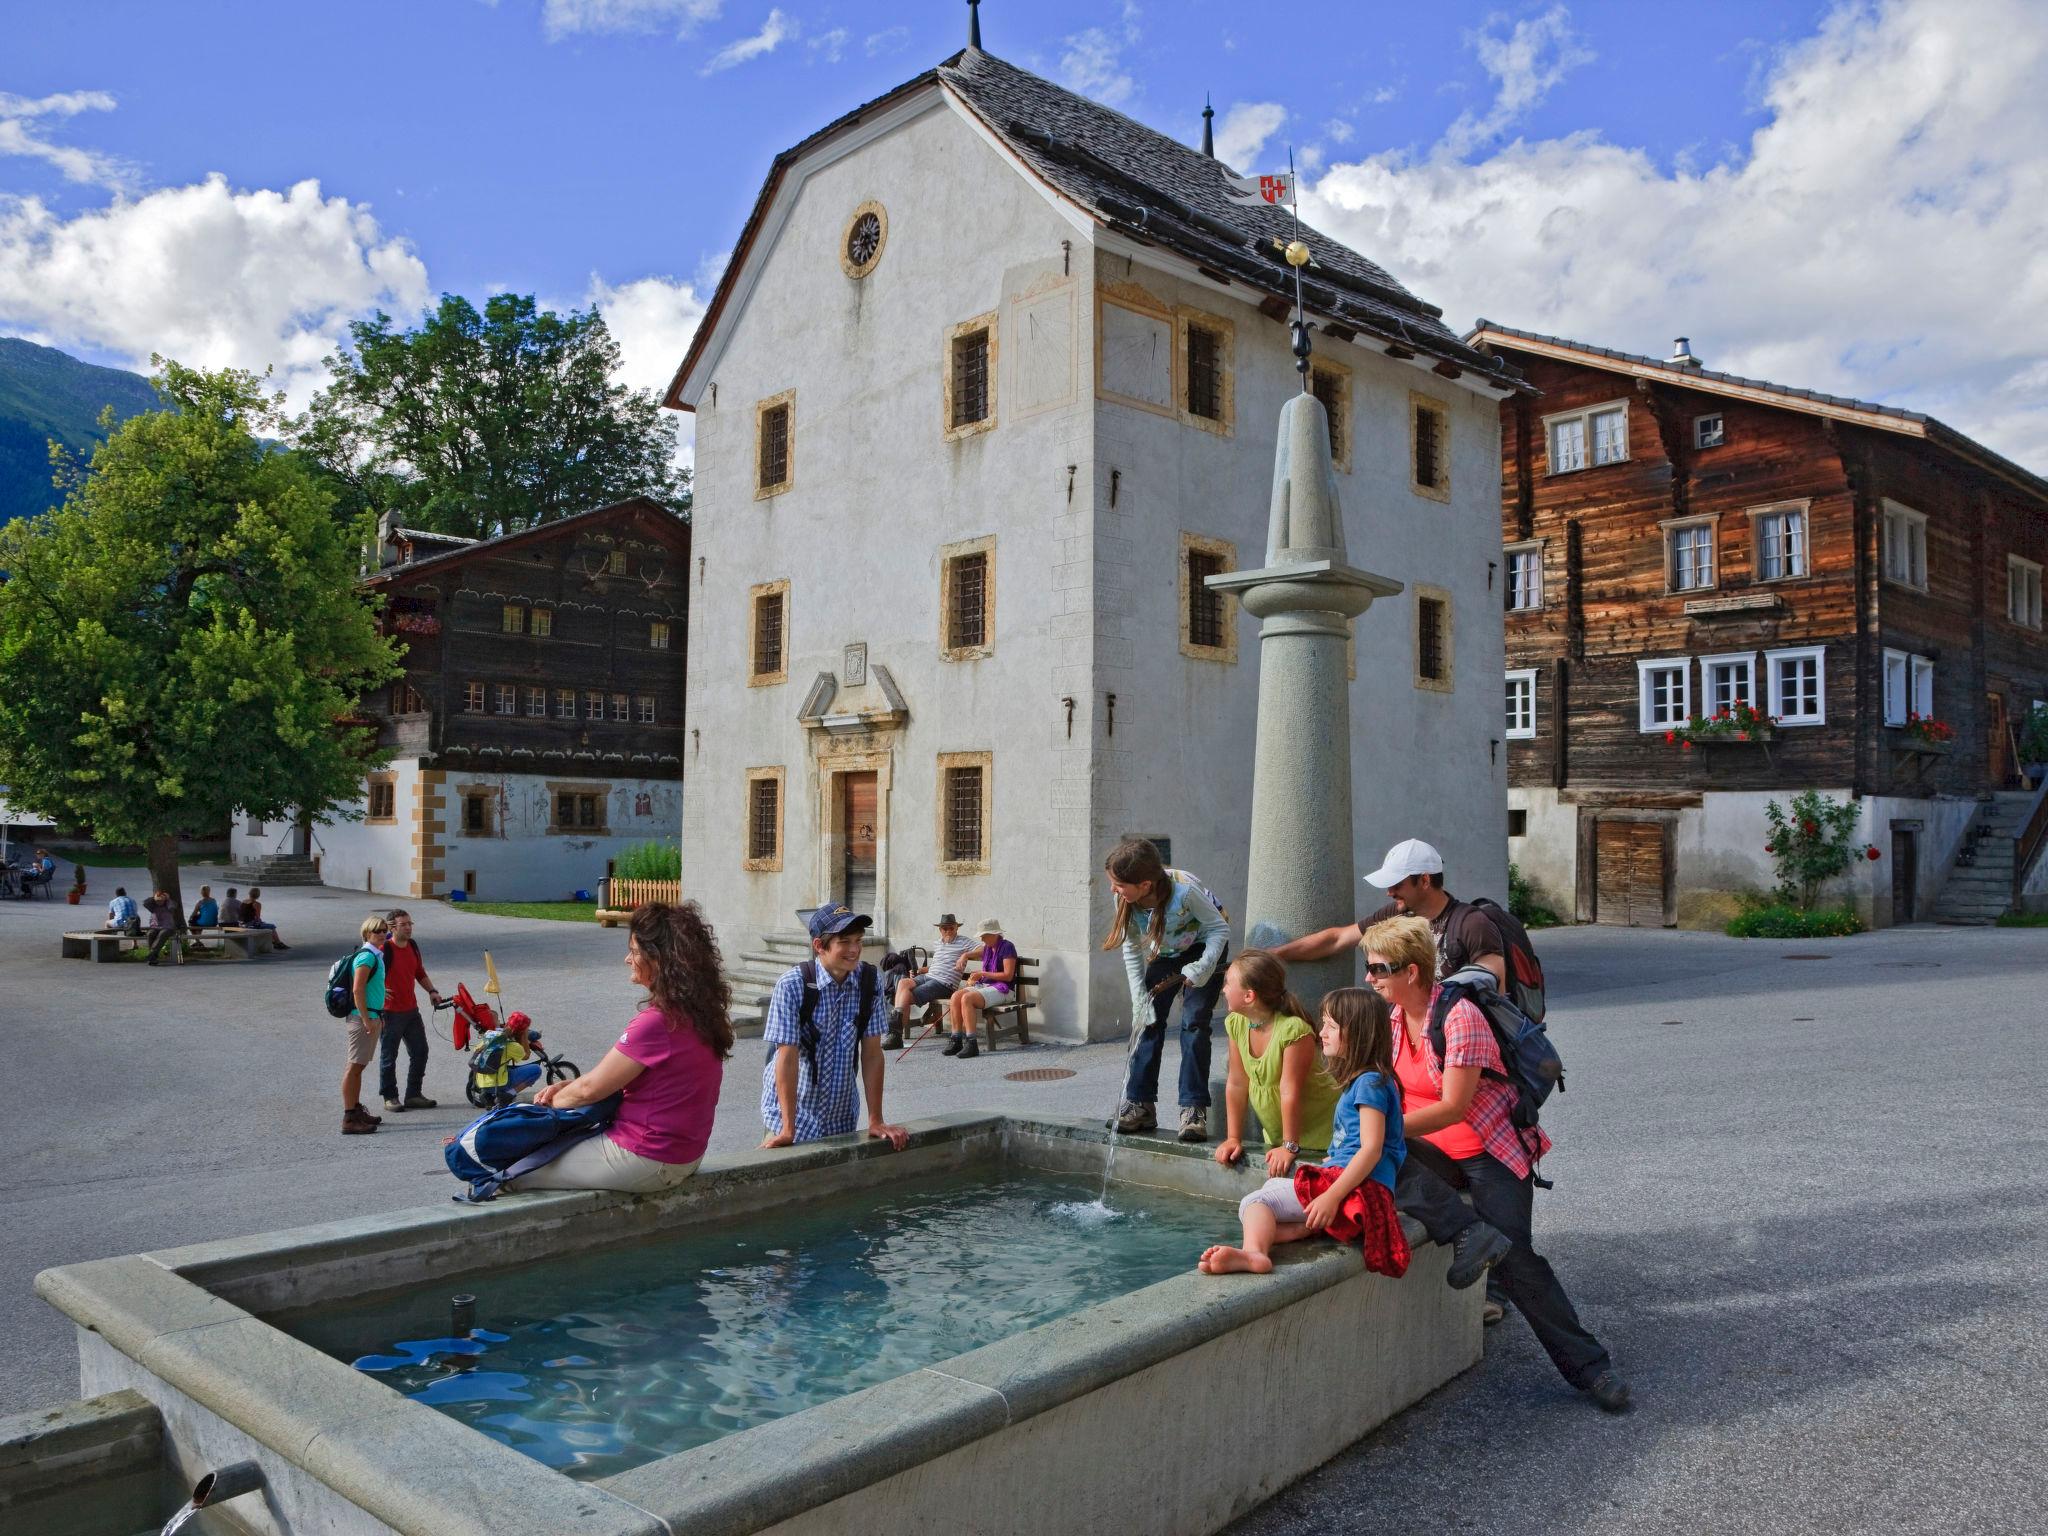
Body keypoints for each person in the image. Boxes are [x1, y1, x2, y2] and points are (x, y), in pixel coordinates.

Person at [1366, 915, 1632, 1413]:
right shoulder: (1394, 1020)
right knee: (1372, 1151)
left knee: (1518, 1263)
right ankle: (1469, 1231)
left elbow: (1454, 1108)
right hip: (1437, 1152)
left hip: (1489, 1151)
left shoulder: (1460, 1015)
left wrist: (1387, 1128)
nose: (1369, 977)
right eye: (1369, 967)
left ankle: (1593, 1368)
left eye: (1379, 968)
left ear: (1413, 972)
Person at [508, 902, 733, 1193]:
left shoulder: (657, 1022)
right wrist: (568, 1088)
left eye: (635, 951)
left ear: (659, 960)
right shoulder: (698, 1013)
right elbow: (612, 1080)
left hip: (646, 1156)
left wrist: (547, 1103)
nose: (628, 959)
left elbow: (590, 1090)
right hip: (682, 1154)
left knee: (511, 1172)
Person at [1201, 986, 1410, 1277]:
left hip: (1359, 1192)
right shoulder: (1372, 1080)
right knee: (1271, 1197)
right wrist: (1334, 1161)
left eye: (1330, 1026)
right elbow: (1363, 1144)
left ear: (1357, 1034)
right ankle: (1306, 1229)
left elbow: (1372, 1149)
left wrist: (1331, 1197)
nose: (1321, 1032)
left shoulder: (1369, 1084)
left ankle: (1254, 1254)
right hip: (1359, 1188)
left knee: (1255, 1202)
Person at [1101, 838, 1231, 1142]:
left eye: (1118, 884)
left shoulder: (1185, 891)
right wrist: (1138, 998)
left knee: (1194, 1022)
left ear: (1145, 884)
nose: (1113, 889)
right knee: (1148, 1022)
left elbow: (1219, 929)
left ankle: (1193, 1108)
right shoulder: (1125, 898)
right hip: (1167, 952)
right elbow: (1131, 949)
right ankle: (1140, 1104)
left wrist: (1203, 966)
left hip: (1205, 948)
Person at [760, 903, 909, 1150]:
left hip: (841, 1117)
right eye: (844, 942)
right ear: (819, 946)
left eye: (858, 940)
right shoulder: (792, 986)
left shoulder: (869, 983)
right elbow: (786, 1057)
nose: (854, 950)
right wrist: (788, 1129)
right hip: (791, 1117)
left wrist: (876, 1121)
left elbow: (872, 1054)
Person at [1270, 838, 1505, 991]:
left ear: (1424, 880)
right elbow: (1337, 939)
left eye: (1397, 884)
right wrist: (1274, 955)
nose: (1389, 892)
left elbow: (1497, 993)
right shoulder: (1398, 913)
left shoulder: (1471, 924)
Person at [1212, 951, 1341, 1176]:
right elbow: (1236, 1083)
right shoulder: (1236, 1023)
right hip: (1280, 1137)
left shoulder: (1293, 1030)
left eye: (1228, 983)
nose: (1223, 989)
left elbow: (1289, 1090)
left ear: (1249, 996)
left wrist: (1290, 1146)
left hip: (1323, 1134)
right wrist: (1233, 1138)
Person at [377, 908, 443, 1113]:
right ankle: (390, 1097)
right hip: (389, 1012)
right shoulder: (383, 949)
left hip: (411, 1011)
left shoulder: (412, 946)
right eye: (403, 924)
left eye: (409, 923)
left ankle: (413, 1095)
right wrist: (378, 991)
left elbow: (418, 971)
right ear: (391, 927)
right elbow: (366, 975)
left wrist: (432, 990)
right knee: (389, 1056)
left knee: (420, 1051)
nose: (408, 927)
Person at [880, 914, 975, 1050]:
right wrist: (919, 970)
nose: (948, 931)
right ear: (940, 929)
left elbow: (984, 949)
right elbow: (936, 967)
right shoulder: (938, 943)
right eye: (944, 928)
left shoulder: (964, 942)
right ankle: (895, 1031)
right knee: (903, 983)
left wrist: (965, 955)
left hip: (944, 983)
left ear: (956, 928)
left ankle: (895, 1034)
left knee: (905, 996)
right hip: (929, 976)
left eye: (951, 928)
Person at [342, 915, 390, 1136]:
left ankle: (356, 1110)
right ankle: (350, 1117)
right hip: (363, 1019)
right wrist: (366, 1019)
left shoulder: (375, 955)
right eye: (377, 931)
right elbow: (357, 989)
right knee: (354, 1067)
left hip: (370, 1015)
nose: (382, 934)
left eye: (384, 930)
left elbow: (368, 987)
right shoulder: (367, 957)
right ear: (366, 933)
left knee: (358, 1067)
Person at [944, 918, 1016, 1059]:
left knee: (967, 998)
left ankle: (972, 1043)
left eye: (984, 935)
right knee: (956, 996)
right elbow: (973, 954)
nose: (982, 939)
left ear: (994, 934)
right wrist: (966, 958)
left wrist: (981, 974)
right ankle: (956, 1039)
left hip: (1004, 989)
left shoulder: (1008, 947)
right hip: (987, 986)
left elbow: (1008, 976)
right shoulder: (988, 948)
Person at [141, 889, 178, 965]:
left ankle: (152, 954)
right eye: (157, 900)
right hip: (155, 927)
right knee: (150, 934)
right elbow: (145, 903)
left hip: (168, 927)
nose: (159, 902)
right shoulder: (153, 906)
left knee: (162, 934)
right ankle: (153, 957)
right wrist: (154, 897)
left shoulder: (169, 905)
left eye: (160, 900)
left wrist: (167, 899)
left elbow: (172, 907)